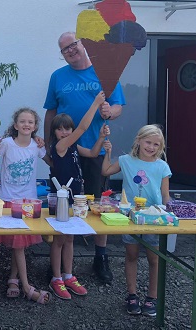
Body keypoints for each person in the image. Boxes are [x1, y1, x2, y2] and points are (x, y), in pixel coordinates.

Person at [43, 31, 126, 284]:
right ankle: (57, 266)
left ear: (83, 44)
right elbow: (50, 113)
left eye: (73, 44)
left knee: (98, 206)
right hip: (66, 153)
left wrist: (109, 111)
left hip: (94, 150)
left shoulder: (105, 72)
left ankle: (100, 257)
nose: (70, 50)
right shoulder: (57, 77)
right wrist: (48, 147)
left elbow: (118, 106)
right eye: (64, 49)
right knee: (62, 208)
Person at [101, 124, 171, 317]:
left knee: (154, 259)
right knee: (131, 255)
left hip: (154, 219)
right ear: (138, 141)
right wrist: (108, 152)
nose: (151, 147)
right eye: (148, 142)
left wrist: (172, 211)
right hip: (130, 217)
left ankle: (152, 297)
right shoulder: (125, 160)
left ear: (160, 146)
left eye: (156, 144)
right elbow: (106, 171)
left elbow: (166, 196)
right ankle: (132, 294)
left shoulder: (162, 166)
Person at [49, 91, 110, 300]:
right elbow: (83, 127)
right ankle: (56, 278)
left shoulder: (73, 145)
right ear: (55, 132)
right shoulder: (60, 146)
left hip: (75, 198)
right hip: (61, 199)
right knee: (59, 239)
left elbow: (93, 154)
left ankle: (68, 275)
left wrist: (101, 138)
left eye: (68, 128)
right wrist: (95, 103)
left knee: (70, 239)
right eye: (60, 129)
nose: (65, 132)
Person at [0, 108, 52, 304]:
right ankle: (27, 287)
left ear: (35, 127)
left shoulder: (37, 145)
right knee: (17, 243)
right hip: (8, 199)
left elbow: (52, 161)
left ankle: (13, 279)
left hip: (29, 202)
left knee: (19, 244)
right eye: (22, 121)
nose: (26, 125)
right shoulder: (6, 144)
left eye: (31, 122)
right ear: (16, 125)